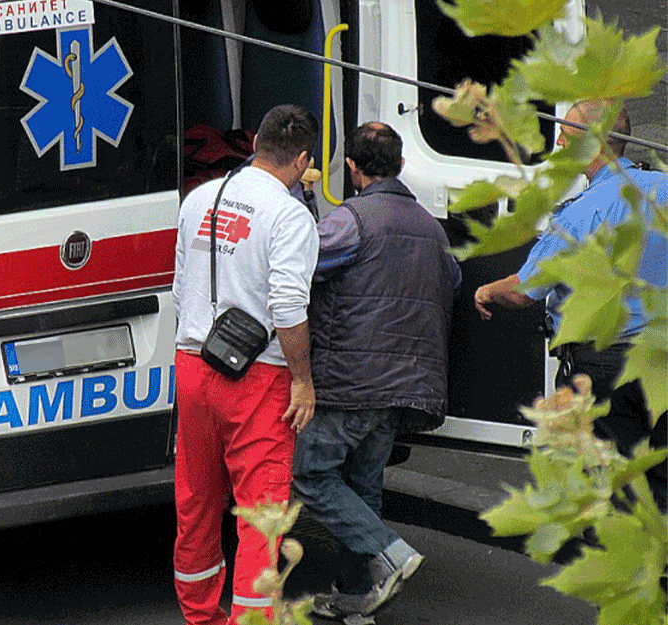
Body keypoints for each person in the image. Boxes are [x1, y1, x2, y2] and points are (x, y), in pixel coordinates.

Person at [292, 121, 461, 620]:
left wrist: (303, 204)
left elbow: (304, 261)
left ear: (352, 167)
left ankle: (393, 553)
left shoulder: (353, 219)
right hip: (408, 387)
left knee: (309, 475)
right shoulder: (432, 228)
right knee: (362, 488)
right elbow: (449, 279)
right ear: (402, 165)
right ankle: (355, 602)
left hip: (351, 383)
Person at [474, 100, 667, 511]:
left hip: (607, 370)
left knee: (612, 489)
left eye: (566, 133)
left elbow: (525, 290)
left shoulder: (583, 213)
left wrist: (487, 290)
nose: (557, 140)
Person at [171, 104, 319, 625]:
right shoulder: (289, 215)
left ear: (254, 140)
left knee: (195, 501)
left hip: (192, 364)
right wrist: (302, 380)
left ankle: (200, 617)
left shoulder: (199, 199)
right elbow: (287, 304)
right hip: (260, 376)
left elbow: (179, 285)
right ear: (302, 161)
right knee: (260, 514)